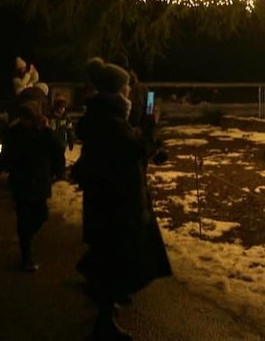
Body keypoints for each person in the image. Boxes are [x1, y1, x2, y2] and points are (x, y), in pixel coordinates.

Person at [72, 57, 172, 341]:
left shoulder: (106, 117)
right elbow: (134, 147)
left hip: (108, 200)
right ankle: (103, 323)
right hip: (115, 203)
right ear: (116, 91)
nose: (130, 92)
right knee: (116, 258)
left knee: (110, 258)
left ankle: (104, 303)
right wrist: (152, 126)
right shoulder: (111, 120)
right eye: (126, 87)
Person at [0, 92, 65, 271]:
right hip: (21, 182)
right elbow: (7, 153)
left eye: (28, 118)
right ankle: (26, 255)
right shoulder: (15, 133)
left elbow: (57, 152)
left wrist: (58, 172)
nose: (24, 121)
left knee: (41, 214)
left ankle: (26, 238)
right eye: (22, 117)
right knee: (23, 218)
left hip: (39, 181)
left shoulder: (45, 134)